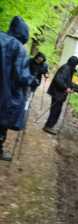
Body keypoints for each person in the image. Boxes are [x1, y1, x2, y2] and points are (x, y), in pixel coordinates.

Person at [0, 16, 34, 161]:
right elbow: (22, 76)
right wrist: (32, 80)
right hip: (5, 93)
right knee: (2, 120)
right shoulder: (18, 47)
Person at [43, 55, 78, 135]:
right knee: (55, 110)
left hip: (59, 93)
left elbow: (67, 81)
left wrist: (71, 87)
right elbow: (58, 80)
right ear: (73, 63)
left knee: (57, 110)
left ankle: (50, 126)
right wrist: (66, 88)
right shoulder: (66, 68)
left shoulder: (69, 68)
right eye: (76, 64)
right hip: (57, 93)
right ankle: (48, 126)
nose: (76, 66)